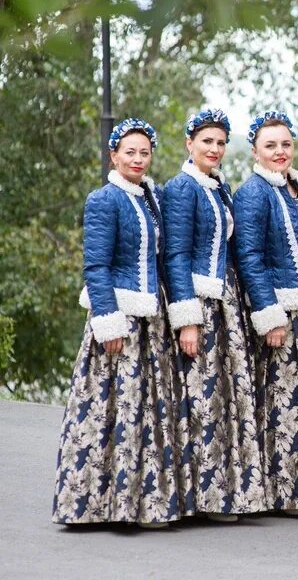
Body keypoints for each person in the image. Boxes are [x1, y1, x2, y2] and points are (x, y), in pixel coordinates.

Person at [53, 119, 182, 527]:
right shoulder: (103, 199)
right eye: (130, 152)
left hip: (152, 318)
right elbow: (96, 265)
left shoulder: (153, 198)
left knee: (147, 411)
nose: (138, 159)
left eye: (144, 152)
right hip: (118, 317)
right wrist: (107, 322)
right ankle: (93, 504)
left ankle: (144, 503)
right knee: (110, 409)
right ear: (114, 155)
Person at [162, 108, 265, 521]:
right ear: (190, 144)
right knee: (199, 399)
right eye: (207, 141)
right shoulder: (181, 189)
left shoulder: (216, 187)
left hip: (223, 303)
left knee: (221, 399)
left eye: (221, 142)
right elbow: (175, 254)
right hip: (197, 305)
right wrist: (188, 318)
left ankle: (222, 494)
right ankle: (198, 497)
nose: (215, 149)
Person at [233, 110, 298, 516]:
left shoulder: (297, 185)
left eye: (286, 144)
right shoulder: (254, 193)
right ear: (256, 151)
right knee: (282, 401)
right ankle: (285, 492)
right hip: (279, 310)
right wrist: (269, 313)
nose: (280, 152)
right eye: (270, 145)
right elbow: (250, 257)